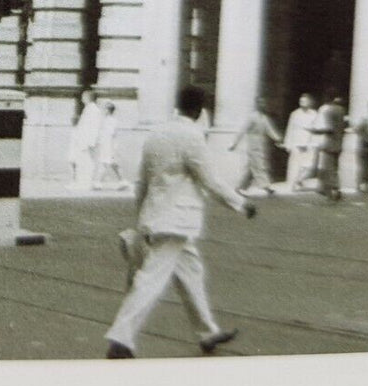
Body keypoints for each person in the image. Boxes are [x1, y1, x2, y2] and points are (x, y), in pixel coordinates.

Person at [104, 85, 256, 359]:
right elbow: (210, 180)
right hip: (176, 220)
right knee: (150, 280)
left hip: (157, 216)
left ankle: (207, 332)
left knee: (192, 274)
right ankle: (121, 338)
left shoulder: (156, 135)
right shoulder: (192, 137)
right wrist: (241, 203)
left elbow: (143, 182)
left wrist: (141, 220)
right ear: (199, 111)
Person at [229, 97, 282, 197]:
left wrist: (277, 138)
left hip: (260, 145)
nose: (262, 105)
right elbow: (243, 131)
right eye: (260, 103)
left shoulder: (264, 118)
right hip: (253, 146)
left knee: (251, 168)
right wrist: (234, 144)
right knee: (259, 166)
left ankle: (240, 187)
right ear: (256, 105)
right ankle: (266, 187)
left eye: (263, 103)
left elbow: (269, 130)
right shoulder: (252, 117)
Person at [309, 93, 347, 202]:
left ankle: (332, 191)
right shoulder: (341, 109)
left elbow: (329, 128)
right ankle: (333, 189)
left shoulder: (328, 110)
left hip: (329, 143)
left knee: (327, 168)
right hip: (339, 143)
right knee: (334, 168)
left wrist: (315, 131)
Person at [69, 88, 104, 191]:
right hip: (83, 141)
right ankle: (82, 183)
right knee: (82, 162)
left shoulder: (93, 110)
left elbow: (95, 126)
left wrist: (91, 141)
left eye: (84, 97)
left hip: (88, 142)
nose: (82, 99)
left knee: (87, 163)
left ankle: (86, 184)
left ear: (88, 98)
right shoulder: (88, 109)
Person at [282, 93, 318, 191]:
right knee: (294, 164)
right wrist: (287, 143)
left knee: (309, 165)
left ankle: (300, 179)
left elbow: (317, 128)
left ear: (309, 102)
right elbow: (290, 128)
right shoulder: (295, 114)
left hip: (309, 142)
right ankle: (292, 184)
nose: (302, 103)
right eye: (301, 101)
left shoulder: (314, 114)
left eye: (305, 101)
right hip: (296, 141)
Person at [92, 100, 127, 190]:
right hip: (108, 145)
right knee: (114, 165)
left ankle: (98, 183)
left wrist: (105, 144)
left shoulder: (110, 121)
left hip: (109, 145)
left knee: (105, 163)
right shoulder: (108, 120)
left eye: (105, 109)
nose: (104, 111)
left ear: (108, 110)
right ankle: (123, 181)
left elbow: (110, 134)